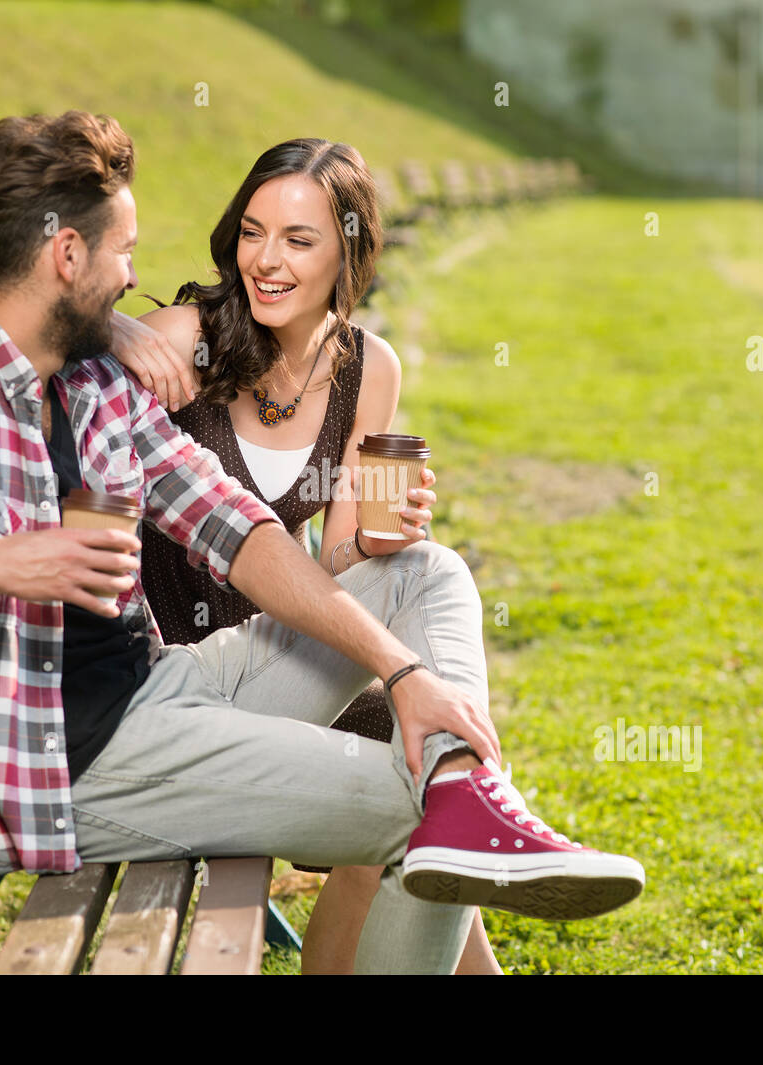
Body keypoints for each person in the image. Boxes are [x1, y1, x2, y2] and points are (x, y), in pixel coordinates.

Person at [0, 111, 645, 975]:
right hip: (74, 763)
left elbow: (237, 529)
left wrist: (402, 674)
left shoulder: (90, 384)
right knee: (424, 817)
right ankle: (467, 796)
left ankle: (465, 780)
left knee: (432, 574)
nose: (132, 279)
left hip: (166, 687)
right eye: (122, 253)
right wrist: (1, 559)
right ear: (67, 253)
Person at [104, 138, 502, 973]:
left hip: (287, 635)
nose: (266, 260)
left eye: (299, 239)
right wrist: (111, 322)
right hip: (181, 675)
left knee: (417, 734)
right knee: (425, 784)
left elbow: (336, 561)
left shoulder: (367, 368)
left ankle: (471, 797)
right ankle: (484, 809)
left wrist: (380, 542)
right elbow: (46, 362)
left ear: (346, 251)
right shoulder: (187, 336)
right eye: (253, 232)